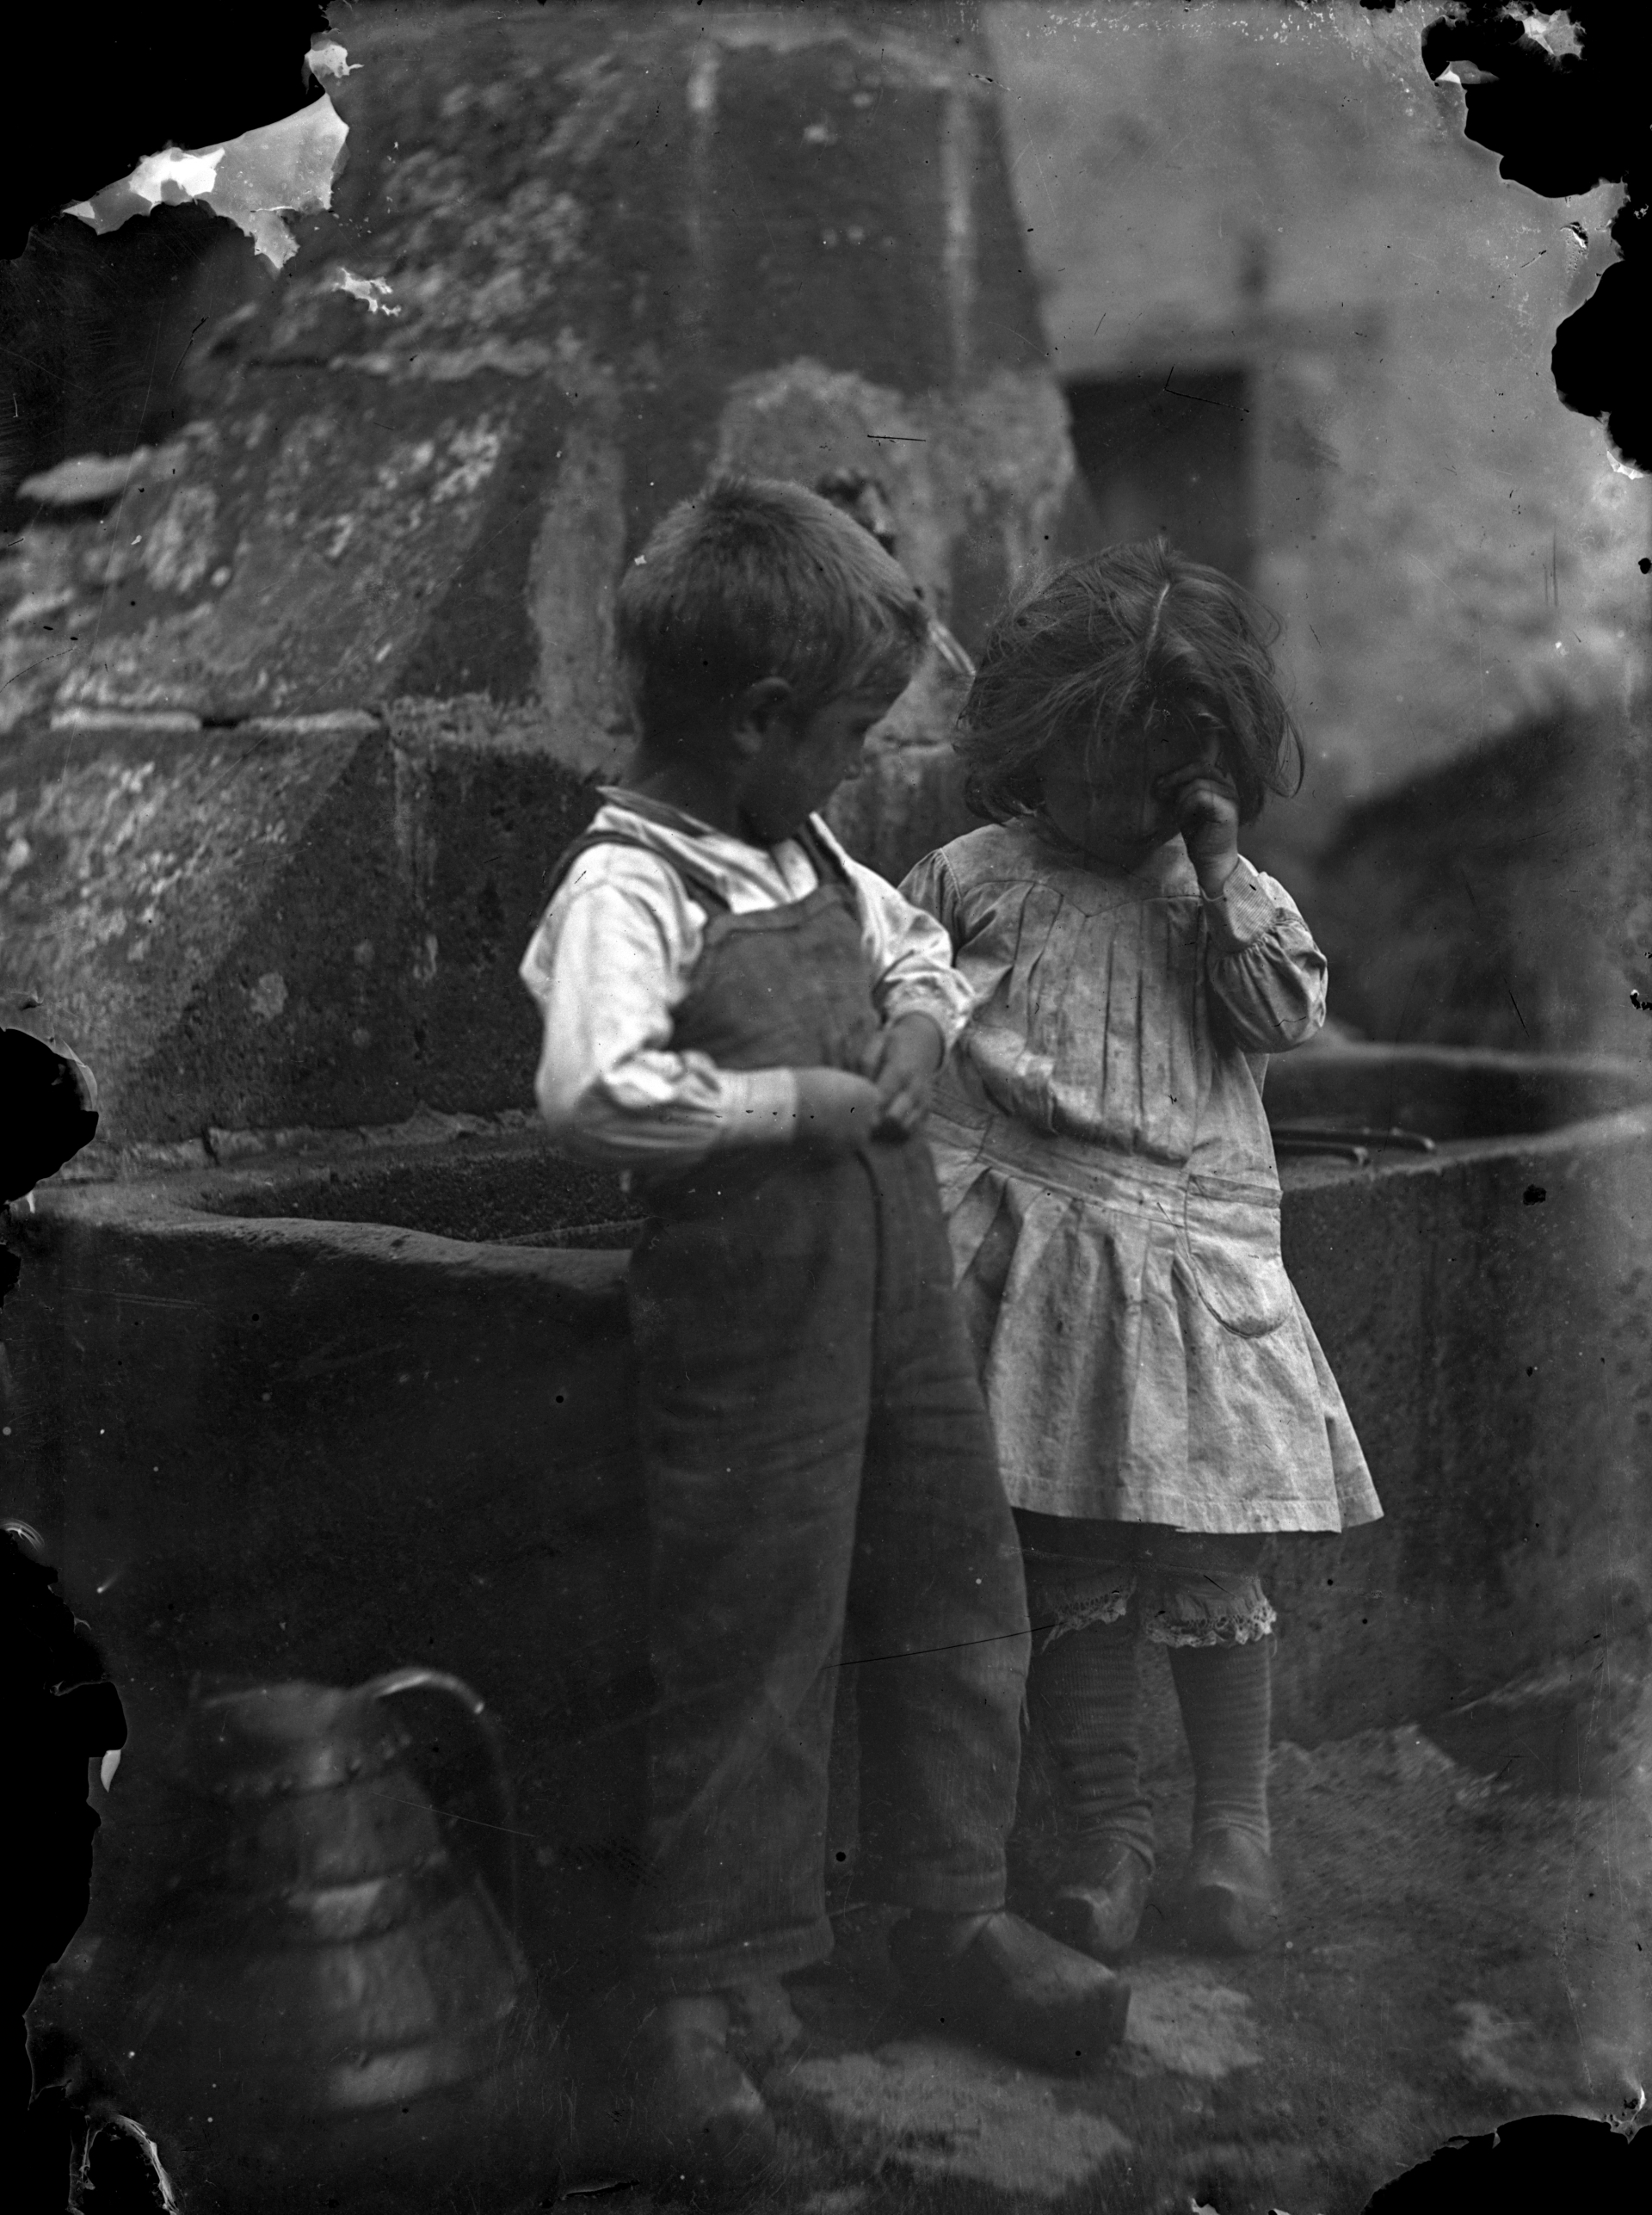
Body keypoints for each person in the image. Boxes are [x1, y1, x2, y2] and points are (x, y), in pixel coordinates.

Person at [520, 477, 1130, 2189]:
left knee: (956, 1585)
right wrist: (795, 1100)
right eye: (852, 733)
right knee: (755, 1637)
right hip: (752, 1322)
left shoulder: (805, 850)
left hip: (899, 1296)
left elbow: (914, 941)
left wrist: (922, 1025)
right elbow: (591, 1090)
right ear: (760, 719)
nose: (863, 765)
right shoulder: (630, 884)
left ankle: (946, 1912)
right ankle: (698, 2001)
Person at [900, 539, 1382, 1969]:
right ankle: (1108, 1830)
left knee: (1216, 1548)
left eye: (1157, 783)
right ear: (1033, 747)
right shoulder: (976, 876)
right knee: (1071, 1550)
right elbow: (899, 1004)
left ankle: (1234, 1827)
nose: (1121, 811)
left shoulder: (1217, 897)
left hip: (1192, 1266)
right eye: (1093, 774)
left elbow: (1281, 1014)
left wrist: (1220, 868)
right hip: (1040, 1255)